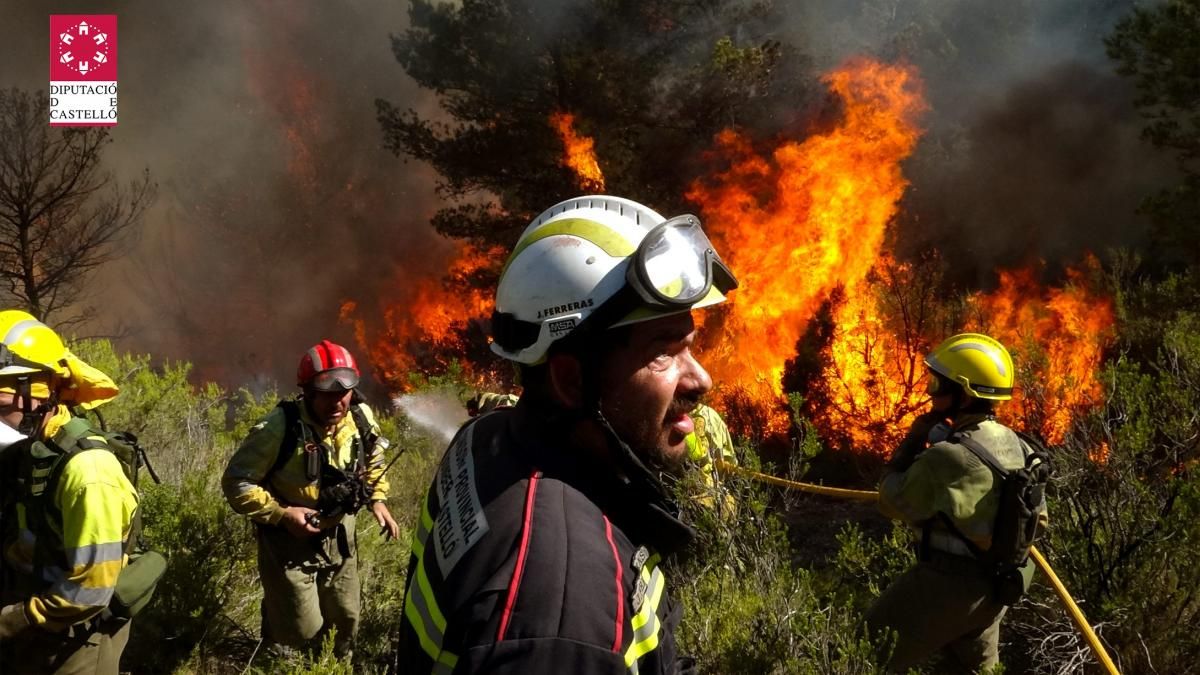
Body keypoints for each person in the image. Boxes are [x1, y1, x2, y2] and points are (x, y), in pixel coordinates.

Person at [395, 195, 738, 673]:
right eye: (664, 352)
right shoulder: (561, 611)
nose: (701, 380)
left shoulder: (489, 437)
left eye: (689, 345)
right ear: (571, 380)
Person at [868, 333, 1047, 672]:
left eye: (937, 384)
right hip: (995, 593)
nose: (929, 393)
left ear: (964, 395)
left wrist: (911, 443)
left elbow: (890, 499)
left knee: (858, 653)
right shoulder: (1020, 447)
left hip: (944, 586)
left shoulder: (949, 457)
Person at [222, 340, 400, 658]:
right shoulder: (280, 427)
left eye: (342, 392)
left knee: (346, 618)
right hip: (289, 541)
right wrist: (280, 514)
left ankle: (335, 667)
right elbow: (237, 481)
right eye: (326, 392)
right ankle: (277, 648)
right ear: (307, 390)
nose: (336, 402)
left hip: (341, 534)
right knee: (298, 630)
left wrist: (377, 499)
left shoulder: (360, 418)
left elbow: (372, 459)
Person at [0, 310, 134, 674]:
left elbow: (90, 588)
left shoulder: (89, 470)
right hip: (34, 605)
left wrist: (14, 620)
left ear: (38, 392)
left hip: (77, 633)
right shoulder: (28, 448)